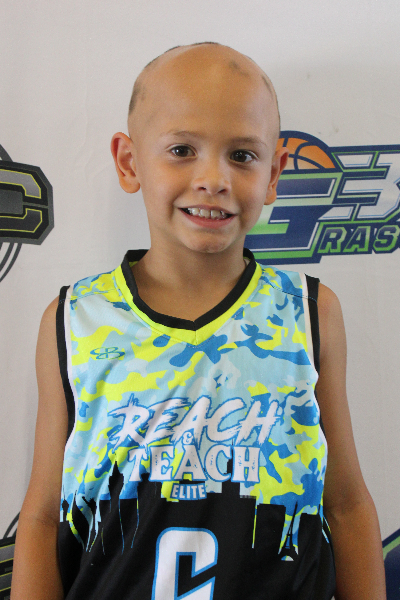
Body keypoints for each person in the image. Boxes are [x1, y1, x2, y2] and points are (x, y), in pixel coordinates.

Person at [11, 43, 386, 600]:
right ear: (129, 162)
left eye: (242, 155)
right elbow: (44, 516)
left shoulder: (309, 312)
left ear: (274, 173)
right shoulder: (75, 319)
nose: (213, 178)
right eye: (182, 150)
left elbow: (347, 503)